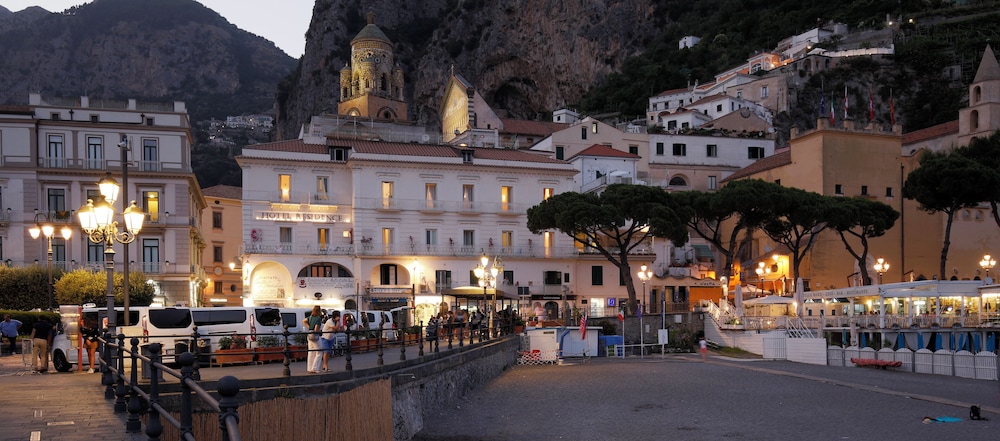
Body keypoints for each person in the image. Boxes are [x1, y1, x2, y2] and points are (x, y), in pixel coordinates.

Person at [302, 306, 324, 373]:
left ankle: (310, 368)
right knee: (319, 351)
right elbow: (316, 329)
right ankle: (315, 368)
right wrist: (319, 330)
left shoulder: (310, 317)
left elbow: (303, 321)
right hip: (315, 336)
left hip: (309, 334)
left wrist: (309, 327)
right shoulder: (318, 318)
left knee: (311, 351)